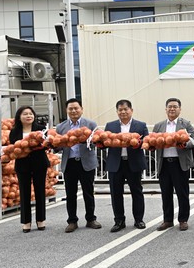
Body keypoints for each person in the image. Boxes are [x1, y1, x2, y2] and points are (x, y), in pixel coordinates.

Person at [55, 98, 101, 233]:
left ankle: (91, 219)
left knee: (88, 192)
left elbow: (97, 142)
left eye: (76, 108)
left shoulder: (91, 124)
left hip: (86, 162)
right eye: (71, 109)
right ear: (66, 110)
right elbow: (57, 146)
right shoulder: (61, 127)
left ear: (81, 109)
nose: (74, 111)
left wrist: (87, 141)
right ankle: (72, 221)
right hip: (69, 163)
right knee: (70, 193)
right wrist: (57, 144)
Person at [104, 99, 149, 233]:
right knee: (116, 193)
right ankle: (119, 221)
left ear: (131, 110)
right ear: (117, 111)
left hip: (133, 163)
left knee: (137, 192)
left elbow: (146, 142)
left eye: (125, 109)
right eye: (120, 110)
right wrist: (100, 142)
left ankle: (139, 219)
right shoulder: (110, 125)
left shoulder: (140, 125)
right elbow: (104, 142)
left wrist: (138, 143)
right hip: (115, 163)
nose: (123, 112)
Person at [154, 98, 194, 232]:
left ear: (180, 109)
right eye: (170, 107)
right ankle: (167, 220)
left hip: (180, 163)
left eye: (175, 107)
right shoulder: (159, 126)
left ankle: (183, 220)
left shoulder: (186, 124)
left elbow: (193, 142)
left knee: (182, 193)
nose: (172, 109)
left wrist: (183, 142)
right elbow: (153, 141)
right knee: (166, 193)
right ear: (166, 109)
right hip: (164, 163)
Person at [9, 105, 50, 233]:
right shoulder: (15, 131)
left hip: (39, 163)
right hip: (22, 164)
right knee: (24, 192)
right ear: (19, 117)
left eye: (30, 113)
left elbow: (47, 144)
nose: (28, 116)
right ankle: (26, 222)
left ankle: (41, 220)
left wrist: (39, 145)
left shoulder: (41, 129)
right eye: (25, 114)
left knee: (40, 191)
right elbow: (13, 147)